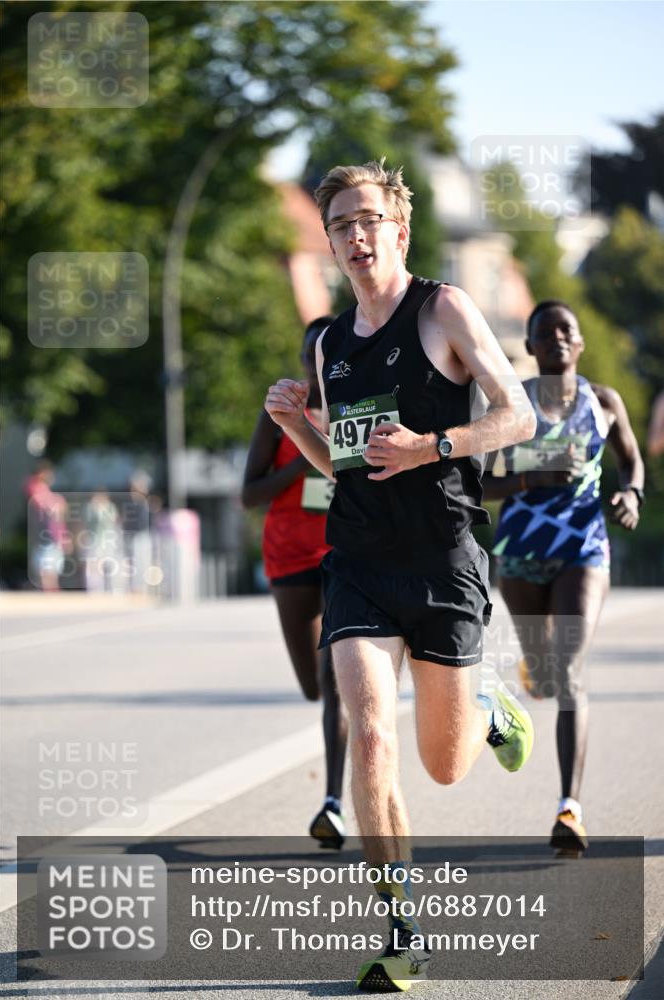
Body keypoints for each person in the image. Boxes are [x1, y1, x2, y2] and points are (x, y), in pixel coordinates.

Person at [264, 159, 537, 992]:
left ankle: (488, 701)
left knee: (445, 765)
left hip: (445, 554)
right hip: (359, 559)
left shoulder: (443, 309)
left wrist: (433, 445)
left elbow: (517, 412)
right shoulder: (326, 342)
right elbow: (345, 465)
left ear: (398, 229)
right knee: (371, 736)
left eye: (366, 220)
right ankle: (402, 928)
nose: (352, 235)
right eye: (339, 223)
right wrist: (295, 424)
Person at [483, 300, 644, 858]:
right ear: (528, 348)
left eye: (565, 330)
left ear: (579, 344)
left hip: (584, 549)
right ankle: (537, 666)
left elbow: (631, 460)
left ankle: (568, 807)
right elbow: (477, 483)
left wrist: (631, 493)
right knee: (547, 676)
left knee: (571, 669)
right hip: (521, 555)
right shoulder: (513, 404)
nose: (555, 338)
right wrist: (531, 478)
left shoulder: (603, 402)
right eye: (542, 333)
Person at [243, 317, 348, 850]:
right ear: (304, 359)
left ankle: (333, 802)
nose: (319, 364)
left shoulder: (360, 408)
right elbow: (248, 494)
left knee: (337, 682)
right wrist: (306, 457)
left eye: (328, 355)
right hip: (289, 559)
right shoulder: (283, 412)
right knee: (313, 685)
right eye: (312, 355)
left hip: (345, 558)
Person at [25, 461, 68, 591]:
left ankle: (52, 590)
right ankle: (49, 590)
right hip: (44, 533)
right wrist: (57, 502)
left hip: (52, 533)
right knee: (46, 565)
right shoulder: (35, 486)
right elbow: (45, 506)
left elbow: (57, 514)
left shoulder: (45, 490)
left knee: (52, 566)